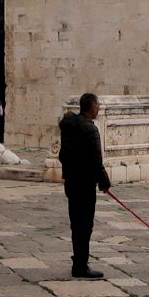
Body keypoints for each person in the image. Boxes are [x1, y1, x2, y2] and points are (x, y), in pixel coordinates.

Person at [57, 92, 111, 278]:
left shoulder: (69, 126)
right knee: (85, 225)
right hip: (85, 184)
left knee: (76, 224)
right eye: (97, 105)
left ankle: (79, 261)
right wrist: (105, 182)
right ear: (91, 107)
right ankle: (81, 265)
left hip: (71, 182)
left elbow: (62, 155)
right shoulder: (90, 129)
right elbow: (97, 160)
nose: (98, 109)